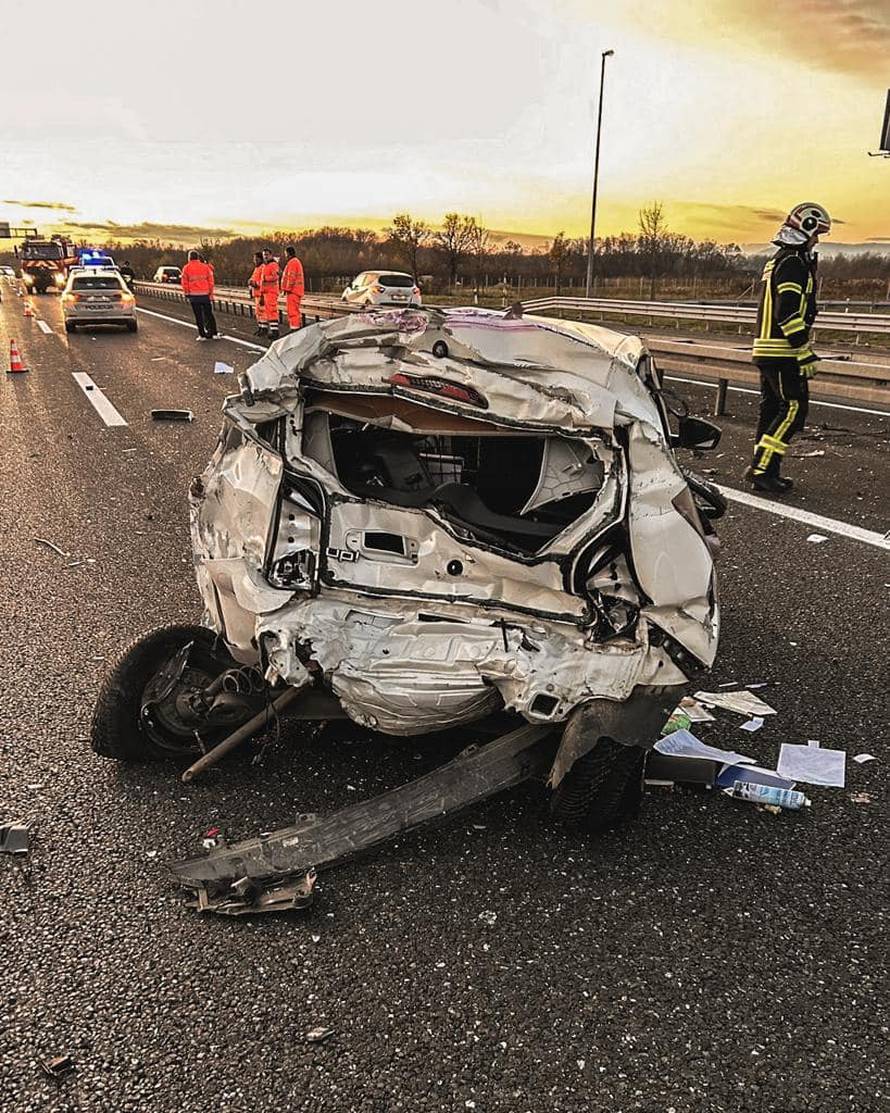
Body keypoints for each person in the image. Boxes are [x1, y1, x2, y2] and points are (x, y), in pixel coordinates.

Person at [745, 202, 831, 494]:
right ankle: (761, 468)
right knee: (794, 408)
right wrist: (803, 349)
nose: (817, 240)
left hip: (767, 349)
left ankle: (765, 471)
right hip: (781, 352)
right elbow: (788, 313)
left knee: (771, 411)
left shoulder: (778, 260)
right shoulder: (793, 263)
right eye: (816, 234)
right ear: (805, 231)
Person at [180, 249, 219, 341]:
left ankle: (202, 334)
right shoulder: (205, 267)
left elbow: (184, 282)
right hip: (205, 295)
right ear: (198, 257)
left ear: (189, 258)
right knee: (209, 314)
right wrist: (210, 292)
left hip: (194, 296)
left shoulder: (186, 268)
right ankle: (214, 333)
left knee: (198, 316)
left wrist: (187, 293)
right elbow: (211, 281)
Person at [281, 244, 305, 331]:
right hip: (295, 290)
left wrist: (286, 288)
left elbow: (291, 277)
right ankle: (295, 327)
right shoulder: (294, 262)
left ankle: (295, 328)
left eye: (285, 254)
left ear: (288, 254)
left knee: (293, 311)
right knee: (293, 310)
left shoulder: (292, 263)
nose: (285, 256)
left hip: (293, 291)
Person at [259, 248, 281, 339]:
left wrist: (265, 278)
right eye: (264, 255)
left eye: (267, 254)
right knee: (268, 312)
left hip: (271, 292)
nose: (265, 256)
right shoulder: (265, 266)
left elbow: (275, 277)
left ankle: (275, 331)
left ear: (271, 255)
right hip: (266, 292)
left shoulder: (273, 265)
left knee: (272, 311)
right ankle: (272, 330)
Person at [248, 251, 264, 335]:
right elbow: (253, 278)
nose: (255, 261)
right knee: (258, 313)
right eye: (254, 259)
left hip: (261, 294)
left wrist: (254, 283)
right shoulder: (256, 269)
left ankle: (263, 329)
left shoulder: (262, 268)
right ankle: (260, 327)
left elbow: (262, 282)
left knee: (262, 313)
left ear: (260, 259)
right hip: (256, 294)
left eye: (256, 259)